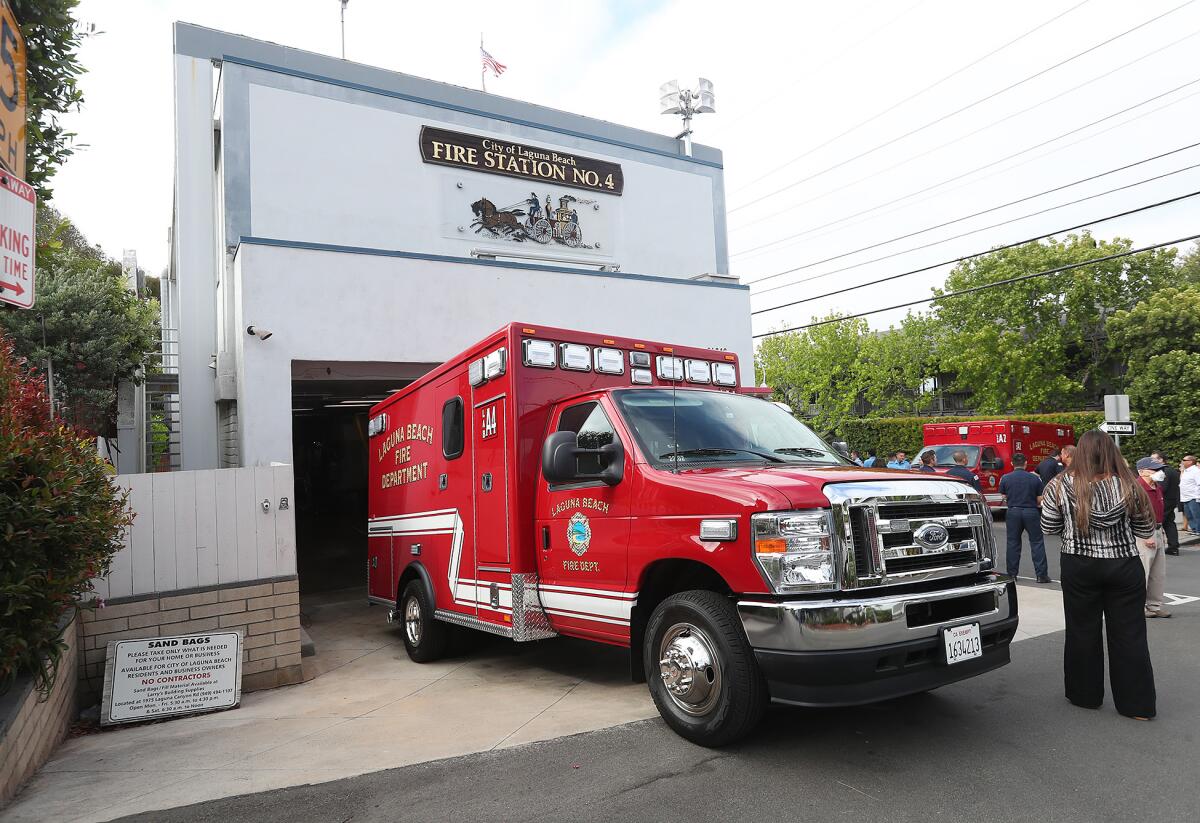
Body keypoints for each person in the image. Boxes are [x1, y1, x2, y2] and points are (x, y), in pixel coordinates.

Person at [1041, 430, 1157, 720]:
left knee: (1082, 630)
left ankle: (1085, 696)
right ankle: (1137, 706)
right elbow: (1145, 530)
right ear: (1110, 452)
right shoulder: (1130, 484)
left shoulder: (1059, 484)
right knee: (1129, 634)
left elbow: (1049, 527)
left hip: (1078, 563)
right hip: (1123, 564)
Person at [999, 453, 1051, 583]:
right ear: (1026, 463)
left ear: (1012, 463)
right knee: (1037, 542)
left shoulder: (1005, 478)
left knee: (1013, 543)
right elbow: (1040, 499)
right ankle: (1041, 575)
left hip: (1013, 511)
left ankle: (1012, 574)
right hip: (1031, 511)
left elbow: (1003, 497)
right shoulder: (1034, 479)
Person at [1134, 457, 1170, 618]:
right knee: (1143, 571)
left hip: (1157, 530)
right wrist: (1147, 534)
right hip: (1145, 533)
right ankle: (1139, 606)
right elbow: (1136, 514)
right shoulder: (1137, 487)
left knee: (1157, 572)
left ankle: (1155, 605)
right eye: (1155, 470)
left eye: (1160, 469)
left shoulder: (1157, 487)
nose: (1159, 472)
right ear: (1142, 472)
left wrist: (1161, 530)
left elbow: (1159, 510)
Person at [1151, 450, 1180, 555]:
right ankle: (1173, 547)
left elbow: (1162, 487)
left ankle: (1157, 546)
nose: (1151, 461)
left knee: (1157, 523)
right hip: (1172, 500)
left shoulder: (1162, 471)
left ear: (1161, 460)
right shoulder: (1173, 470)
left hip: (1163, 501)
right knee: (1169, 523)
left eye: (1153, 459)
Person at [1179, 454, 1200, 534]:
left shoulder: (1196, 471)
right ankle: (1194, 529)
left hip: (1193, 497)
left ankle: (1198, 530)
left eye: (1184, 460)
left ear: (1190, 462)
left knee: (1196, 515)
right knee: (1189, 515)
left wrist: (1197, 496)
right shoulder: (1186, 471)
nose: (1182, 462)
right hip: (1185, 497)